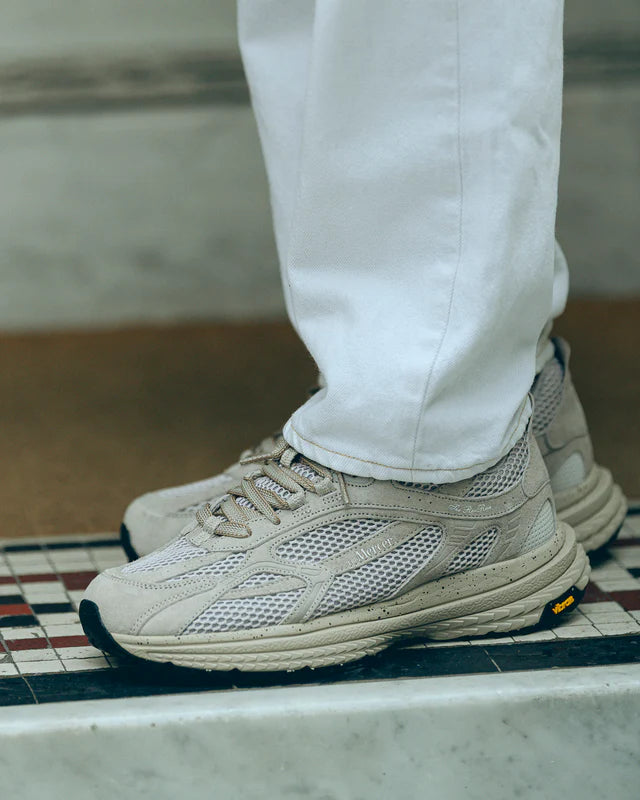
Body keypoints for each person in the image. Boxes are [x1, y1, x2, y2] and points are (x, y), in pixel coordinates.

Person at [80, 1, 626, 671]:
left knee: (412, 22)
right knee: (324, 29)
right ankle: (503, 401)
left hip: (434, 461)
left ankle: (430, 456)